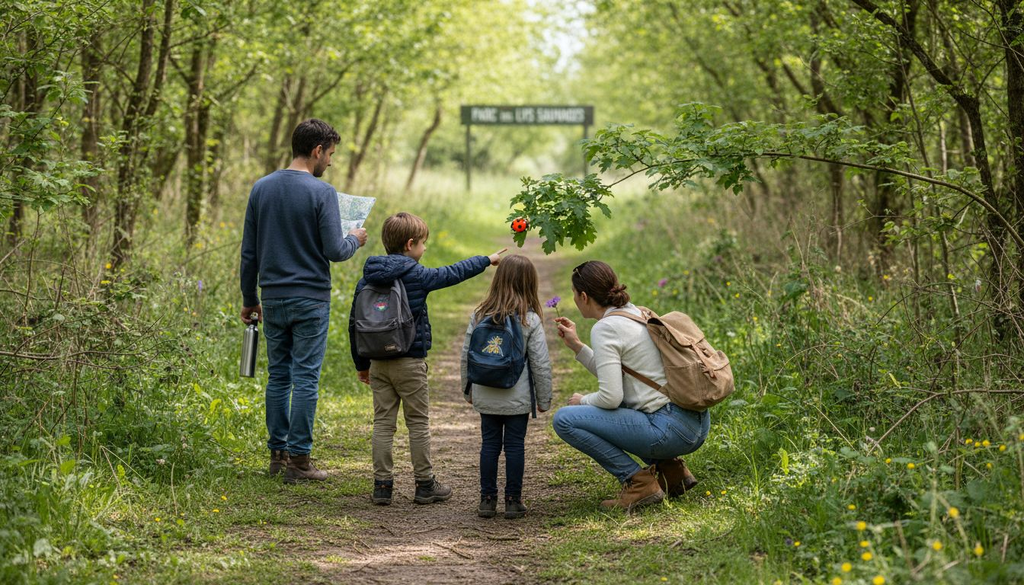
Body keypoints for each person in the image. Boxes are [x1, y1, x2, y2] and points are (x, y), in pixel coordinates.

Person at [240, 118, 368, 484]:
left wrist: (250, 299)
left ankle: (277, 456)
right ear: (316, 151)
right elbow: (335, 250)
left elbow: (249, 253)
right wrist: (355, 239)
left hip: (273, 298)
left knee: (278, 376)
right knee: (306, 377)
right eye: (330, 154)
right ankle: (300, 460)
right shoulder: (321, 192)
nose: (330, 162)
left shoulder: (261, 188)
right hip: (310, 299)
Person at [350, 211, 505, 505]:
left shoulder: (366, 277)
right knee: (417, 422)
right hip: (409, 361)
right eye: (423, 243)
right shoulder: (416, 274)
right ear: (410, 244)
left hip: (378, 363)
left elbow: (353, 323)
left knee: (383, 424)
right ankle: (424, 484)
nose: (424, 249)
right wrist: (486, 260)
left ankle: (382, 486)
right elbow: (451, 273)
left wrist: (362, 365)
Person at [552, 260, 708, 512]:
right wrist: (577, 346)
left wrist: (583, 401)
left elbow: (611, 397)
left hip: (670, 429)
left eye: (573, 294)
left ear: (583, 296)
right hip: (695, 424)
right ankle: (672, 471)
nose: (573, 299)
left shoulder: (605, 327)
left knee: (565, 420)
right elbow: (620, 373)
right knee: (626, 403)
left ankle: (638, 482)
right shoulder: (636, 313)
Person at [460, 254, 552, 519]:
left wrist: (468, 390)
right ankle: (513, 501)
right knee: (514, 446)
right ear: (529, 284)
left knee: (488, 445)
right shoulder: (530, 320)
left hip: (485, 392)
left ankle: (487, 501)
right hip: (517, 396)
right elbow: (541, 364)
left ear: (498, 281)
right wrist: (544, 399)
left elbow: (466, 354)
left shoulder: (479, 315)